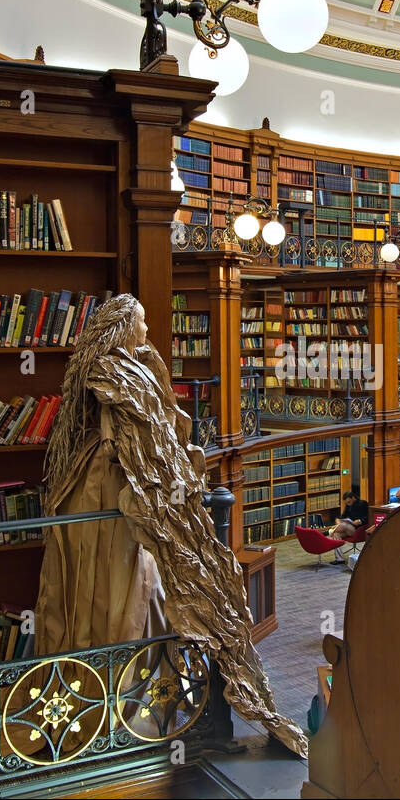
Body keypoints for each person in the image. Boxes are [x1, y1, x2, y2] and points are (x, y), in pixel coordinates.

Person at [34, 294, 307, 757]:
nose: (146, 332)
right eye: (140, 324)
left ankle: (143, 703)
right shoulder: (109, 372)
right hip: (111, 496)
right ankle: (110, 707)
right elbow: (136, 433)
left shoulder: (131, 364)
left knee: (137, 592)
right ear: (122, 328)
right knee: (107, 591)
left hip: (124, 499)